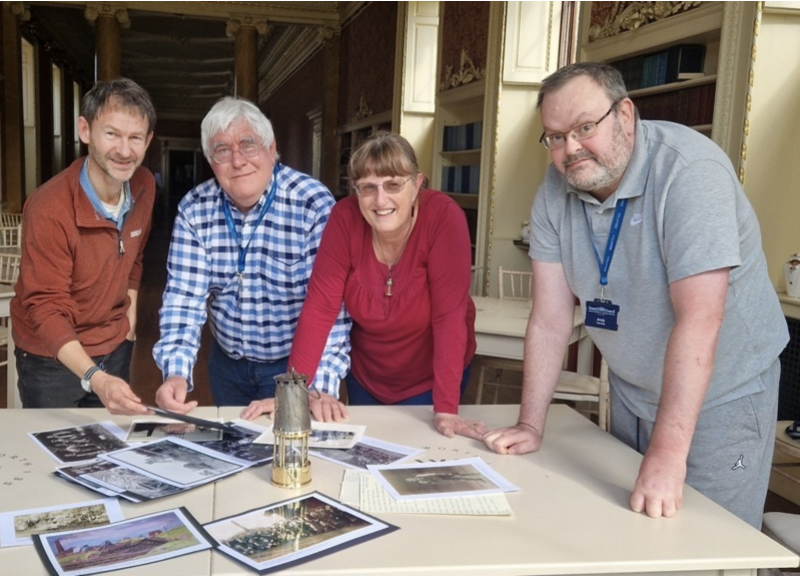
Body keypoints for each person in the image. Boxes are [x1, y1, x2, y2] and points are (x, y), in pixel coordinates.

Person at [482, 62, 789, 528]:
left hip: (724, 396)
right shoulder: (554, 189)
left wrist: (667, 454)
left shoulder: (690, 172)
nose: (571, 148)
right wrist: (530, 423)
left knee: (712, 540)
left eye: (585, 127)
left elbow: (700, 319)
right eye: (555, 136)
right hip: (633, 389)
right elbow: (549, 318)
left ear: (625, 114)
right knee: (634, 531)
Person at [242, 132, 487, 440]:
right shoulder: (344, 218)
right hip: (367, 376)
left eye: (393, 184)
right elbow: (320, 308)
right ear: (355, 190)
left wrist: (447, 408)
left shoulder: (443, 217)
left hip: (432, 379)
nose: (380, 200)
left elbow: (449, 318)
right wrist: (292, 395)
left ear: (417, 184)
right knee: (367, 458)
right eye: (367, 187)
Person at [153, 97, 350, 415]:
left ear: (271, 149)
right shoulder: (194, 209)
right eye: (221, 150)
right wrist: (175, 372)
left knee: (289, 454)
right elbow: (183, 299)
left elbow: (331, 307)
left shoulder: (313, 204)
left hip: (296, 367)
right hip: (226, 365)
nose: (237, 160)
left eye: (248, 144)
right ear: (210, 161)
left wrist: (317, 388)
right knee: (237, 452)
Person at [11, 78, 156, 414]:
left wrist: (129, 321)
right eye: (112, 134)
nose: (124, 150)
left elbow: (135, 258)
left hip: (115, 345)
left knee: (109, 453)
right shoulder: (49, 207)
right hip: (50, 357)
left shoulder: (144, 185)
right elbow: (45, 306)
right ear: (85, 130)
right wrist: (94, 376)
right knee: (50, 456)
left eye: (135, 137)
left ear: (148, 140)